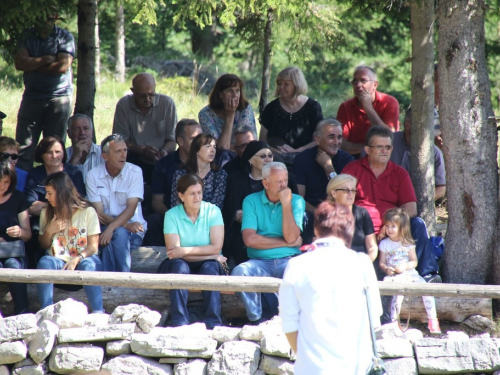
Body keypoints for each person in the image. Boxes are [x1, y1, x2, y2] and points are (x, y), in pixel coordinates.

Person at [279, 201, 382, 374]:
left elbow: (289, 326)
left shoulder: (296, 265)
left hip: (312, 368)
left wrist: (308, 358)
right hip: (356, 366)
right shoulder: (363, 263)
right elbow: (375, 320)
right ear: (350, 230)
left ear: (317, 229)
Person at [342, 126, 441, 281]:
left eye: (388, 147)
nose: (384, 151)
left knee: (417, 223)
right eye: (379, 147)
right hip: (359, 226)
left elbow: (411, 208)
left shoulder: (399, 173)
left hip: (392, 229)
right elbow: (341, 202)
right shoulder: (352, 169)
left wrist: (388, 225)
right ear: (367, 150)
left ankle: (429, 275)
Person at [231, 162, 305, 324]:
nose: (284, 185)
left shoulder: (296, 201)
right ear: (265, 183)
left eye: (285, 180)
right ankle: (256, 320)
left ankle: (296, 321)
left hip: (289, 261)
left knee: (304, 274)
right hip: (259, 262)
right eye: (279, 181)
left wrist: (286, 204)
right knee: (240, 272)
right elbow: (249, 239)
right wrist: (286, 243)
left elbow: (292, 236)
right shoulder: (251, 200)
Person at [157, 174, 225, 329]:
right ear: (181, 196)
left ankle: (213, 324)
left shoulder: (213, 211)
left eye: (199, 192)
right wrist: (211, 255)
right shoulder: (171, 215)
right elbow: (174, 252)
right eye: (192, 193)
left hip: (206, 263)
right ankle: (179, 323)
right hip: (181, 263)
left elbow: (216, 247)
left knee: (210, 268)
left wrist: (185, 251)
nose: (197, 197)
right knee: (179, 267)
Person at [14, 13, 75, 171]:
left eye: (48, 17)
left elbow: (62, 66)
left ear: (55, 17)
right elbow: (19, 63)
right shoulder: (26, 35)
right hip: (31, 97)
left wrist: (33, 63)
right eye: (40, 17)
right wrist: (47, 59)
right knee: (23, 150)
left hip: (59, 98)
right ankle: (20, 192)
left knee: (54, 150)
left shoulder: (64, 36)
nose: (43, 21)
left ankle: (53, 189)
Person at [223, 141, 298, 268]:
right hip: (244, 230)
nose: (268, 159)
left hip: (279, 228)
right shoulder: (236, 179)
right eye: (263, 156)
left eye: (270, 156)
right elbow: (229, 209)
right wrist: (237, 215)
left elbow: (294, 206)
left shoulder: (288, 179)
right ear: (250, 160)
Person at [36, 172, 104, 313]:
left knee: (87, 265)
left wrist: (78, 258)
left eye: (49, 193)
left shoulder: (87, 211)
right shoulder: (46, 212)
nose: (46, 197)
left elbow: (93, 246)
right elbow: (43, 245)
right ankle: (46, 312)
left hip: (85, 259)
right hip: (59, 262)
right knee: (44, 262)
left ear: (61, 193)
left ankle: (98, 312)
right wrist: (50, 231)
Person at [86, 134, 147, 272]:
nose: (123, 155)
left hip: (134, 231)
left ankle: (111, 284)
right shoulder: (92, 175)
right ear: (105, 156)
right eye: (118, 151)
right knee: (116, 235)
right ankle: (122, 283)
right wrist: (122, 225)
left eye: (125, 150)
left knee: (116, 236)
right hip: (108, 227)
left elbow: (131, 209)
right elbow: (99, 214)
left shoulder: (135, 172)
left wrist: (111, 228)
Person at [379, 208, 441, 334]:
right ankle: (394, 321)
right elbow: (381, 262)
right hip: (395, 276)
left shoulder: (408, 243)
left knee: (426, 290)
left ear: (402, 228)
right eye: (387, 226)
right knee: (397, 294)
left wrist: (406, 266)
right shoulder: (384, 244)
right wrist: (386, 269)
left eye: (393, 226)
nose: (389, 229)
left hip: (410, 273)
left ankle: (433, 319)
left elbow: (414, 261)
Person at [144, 119, 202, 246]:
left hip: (202, 218)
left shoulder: (206, 163)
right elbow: (156, 201)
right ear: (180, 141)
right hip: (171, 214)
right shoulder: (164, 165)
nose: (199, 143)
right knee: (153, 221)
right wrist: (173, 217)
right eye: (194, 139)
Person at [294, 118, 353, 242]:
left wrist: (329, 168)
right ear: (317, 139)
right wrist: (318, 213)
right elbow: (299, 198)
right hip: (311, 212)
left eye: (339, 137)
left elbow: (344, 196)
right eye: (331, 137)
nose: (336, 142)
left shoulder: (347, 160)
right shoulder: (302, 159)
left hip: (339, 212)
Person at [112, 73, 177, 183]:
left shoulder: (167, 104)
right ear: (133, 91)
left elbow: (172, 140)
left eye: (151, 94)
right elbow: (119, 141)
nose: (147, 99)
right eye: (142, 96)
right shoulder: (124, 105)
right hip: (133, 157)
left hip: (162, 158)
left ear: (155, 88)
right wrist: (141, 150)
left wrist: (164, 152)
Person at [260, 67, 323, 162]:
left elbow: (319, 140)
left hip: (305, 159)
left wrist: (297, 151)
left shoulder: (313, 107)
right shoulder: (271, 108)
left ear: (297, 85)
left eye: (286, 84)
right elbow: (262, 140)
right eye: (279, 83)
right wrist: (271, 150)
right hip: (275, 160)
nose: (281, 87)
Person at [338, 65, 399, 157]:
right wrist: (367, 149)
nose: (358, 85)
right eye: (355, 81)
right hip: (354, 157)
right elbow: (341, 142)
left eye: (363, 81)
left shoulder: (389, 102)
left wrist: (368, 108)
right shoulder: (345, 107)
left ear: (375, 85)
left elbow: (390, 136)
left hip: (383, 155)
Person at [390, 106, 446, 200]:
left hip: (415, 205)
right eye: (425, 125)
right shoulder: (387, 142)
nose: (429, 130)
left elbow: (441, 188)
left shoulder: (435, 152)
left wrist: (418, 202)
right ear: (408, 125)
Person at [0, 161, 31, 315]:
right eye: (0, 181)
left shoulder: (18, 198)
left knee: (13, 266)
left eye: (6, 181)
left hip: (13, 251)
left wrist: (19, 232)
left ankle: (22, 312)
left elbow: (28, 234)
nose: (2, 185)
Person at [325, 174, 377, 261]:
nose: (350, 194)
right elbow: (318, 247)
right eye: (346, 190)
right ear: (334, 193)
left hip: (360, 264)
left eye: (353, 190)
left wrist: (364, 264)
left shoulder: (362, 213)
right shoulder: (325, 215)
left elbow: (372, 247)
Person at [198, 74, 257, 150]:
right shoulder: (205, 114)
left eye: (237, 90)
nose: (235, 95)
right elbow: (221, 148)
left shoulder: (245, 109)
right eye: (230, 90)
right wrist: (230, 115)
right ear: (221, 94)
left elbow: (247, 145)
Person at [170, 134, 228, 209]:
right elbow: (176, 203)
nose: (212, 150)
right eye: (208, 146)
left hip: (209, 218)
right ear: (196, 151)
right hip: (183, 218)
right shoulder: (181, 174)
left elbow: (217, 205)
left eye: (214, 147)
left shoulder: (220, 175)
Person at [66, 114, 104, 182]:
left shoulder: (103, 153)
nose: (82, 133)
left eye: (86, 128)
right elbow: (61, 184)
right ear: (69, 133)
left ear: (92, 132)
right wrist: (75, 157)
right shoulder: (62, 155)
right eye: (76, 129)